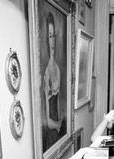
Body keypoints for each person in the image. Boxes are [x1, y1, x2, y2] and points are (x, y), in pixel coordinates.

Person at [43, 12, 64, 151]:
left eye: (54, 36)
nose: (52, 41)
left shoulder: (57, 68)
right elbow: (48, 121)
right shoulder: (46, 74)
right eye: (50, 36)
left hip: (58, 131)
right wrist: (58, 125)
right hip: (51, 132)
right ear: (46, 39)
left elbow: (59, 107)